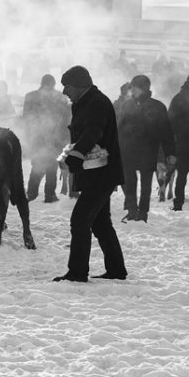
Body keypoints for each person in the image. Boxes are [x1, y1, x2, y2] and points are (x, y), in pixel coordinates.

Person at [54, 65, 127, 282]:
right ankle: (116, 270)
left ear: (79, 85)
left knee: (80, 219)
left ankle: (77, 272)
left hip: (102, 173)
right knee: (101, 222)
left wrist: (76, 154)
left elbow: (93, 131)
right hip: (94, 172)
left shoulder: (96, 102)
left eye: (67, 87)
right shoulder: (84, 102)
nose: (64, 92)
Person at [117, 75, 176, 222]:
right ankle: (132, 210)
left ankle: (143, 213)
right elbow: (120, 129)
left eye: (134, 87)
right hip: (128, 150)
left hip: (148, 150)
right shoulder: (127, 105)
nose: (131, 90)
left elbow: (166, 132)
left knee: (146, 184)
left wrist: (170, 153)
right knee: (129, 181)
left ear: (143, 88)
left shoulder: (157, 106)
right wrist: (115, 147)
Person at [22, 74, 69, 203]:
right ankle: (48, 194)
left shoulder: (31, 96)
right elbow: (66, 117)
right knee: (48, 165)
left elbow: (26, 118)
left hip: (41, 136)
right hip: (50, 136)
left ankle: (33, 192)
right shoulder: (59, 97)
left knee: (41, 164)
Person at [167, 73, 189, 210]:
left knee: (182, 173)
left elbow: (170, 120)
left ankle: (178, 203)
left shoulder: (178, 98)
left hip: (182, 141)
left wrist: (175, 136)